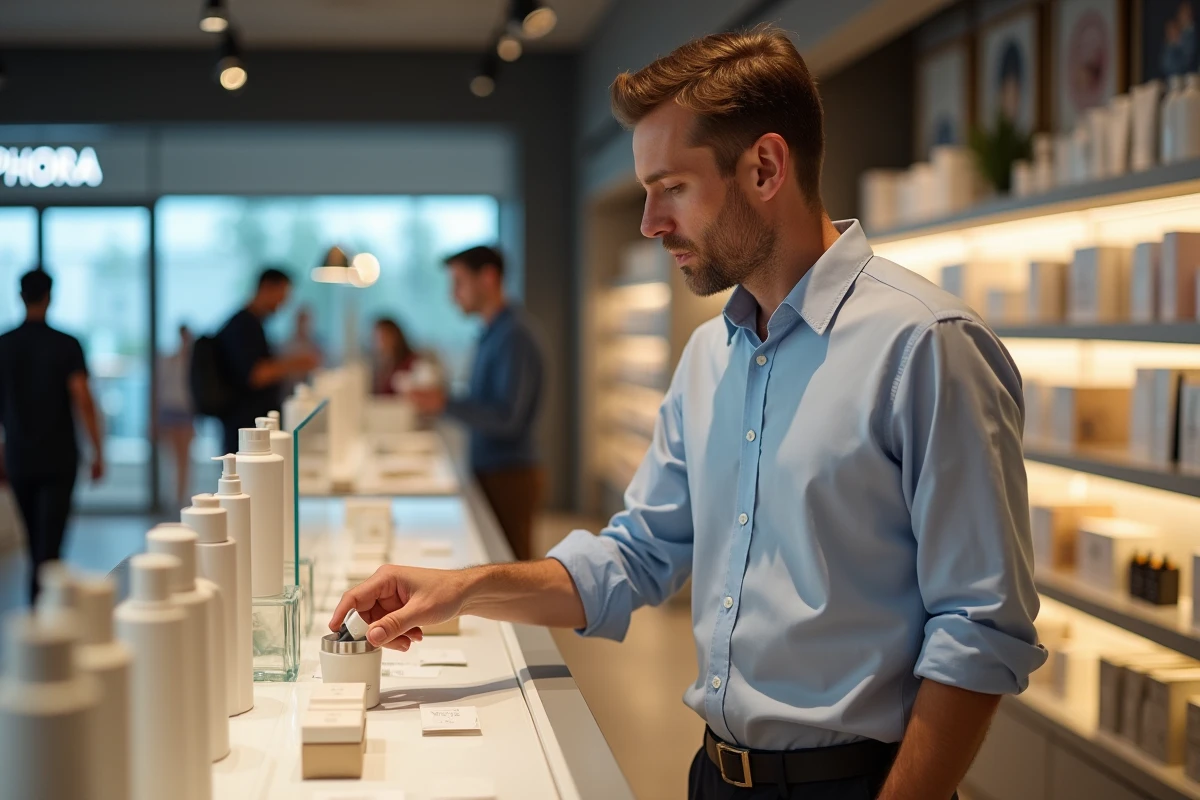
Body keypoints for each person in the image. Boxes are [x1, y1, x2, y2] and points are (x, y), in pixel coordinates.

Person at [332, 28, 1044, 800]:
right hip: (712, 776)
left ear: (765, 167)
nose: (649, 222)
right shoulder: (709, 355)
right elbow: (634, 556)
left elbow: (978, 629)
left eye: (670, 187)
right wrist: (463, 589)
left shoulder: (926, 345)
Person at [407, 247, 545, 560]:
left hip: (509, 474)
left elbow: (506, 418)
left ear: (488, 278)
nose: (453, 294)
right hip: (495, 469)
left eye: (459, 282)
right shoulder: (494, 333)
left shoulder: (513, 336)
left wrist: (444, 403)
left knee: (515, 569)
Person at [0, 270, 105, 603]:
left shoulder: (4, 345)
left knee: (35, 540)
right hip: (59, 457)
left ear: (20, 296)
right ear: (50, 297)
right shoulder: (66, 344)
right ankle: (45, 606)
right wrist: (98, 450)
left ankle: (39, 605)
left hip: (19, 456)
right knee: (51, 542)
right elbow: (83, 399)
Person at [215, 268, 318, 454]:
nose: (283, 302)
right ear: (267, 288)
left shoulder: (254, 323)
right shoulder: (243, 325)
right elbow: (256, 374)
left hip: (251, 427)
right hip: (245, 429)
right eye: (282, 294)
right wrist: (296, 363)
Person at [158, 324, 196, 508]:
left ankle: (181, 495)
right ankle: (173, 495)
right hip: (170, 410)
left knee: (184, 458)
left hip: (186, 411)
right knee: (172, 458)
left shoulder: (193, 362)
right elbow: (160, 388)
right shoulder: (169, 360)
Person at [371, 317, 416, 395]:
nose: (380, 342)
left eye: (384, 336)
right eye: (376, 338)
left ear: (395, 336)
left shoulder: (411, 362)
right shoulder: (381, 365)